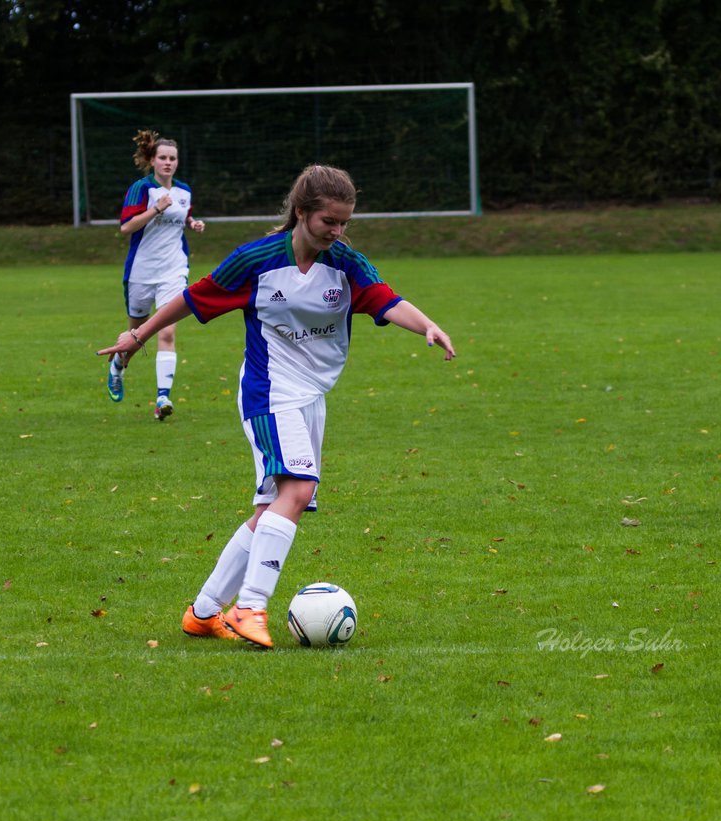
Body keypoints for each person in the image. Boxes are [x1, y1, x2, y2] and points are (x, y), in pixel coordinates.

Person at [98, 164, 456, 647]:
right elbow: (193, 297)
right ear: (302, 213)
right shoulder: (257, 260)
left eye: (345, 222)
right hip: (269, 392)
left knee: (271, 506)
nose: (338, 231)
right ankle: (250, 606)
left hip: (312, 396)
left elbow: (384, 298)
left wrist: (427, 326)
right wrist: (138, 336)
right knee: (300, 488)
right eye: (330, 221)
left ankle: (204, 612)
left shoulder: (346, 264)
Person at [106, 129, 206, 420]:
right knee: (137, 335)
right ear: (152, 160)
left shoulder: (184, 191)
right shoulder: (142, 189)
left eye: (172, 158)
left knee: (168, 329)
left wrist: (193, 224)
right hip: (141, 272)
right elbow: (126, 227)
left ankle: (163, 398)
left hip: (174, 270)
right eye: (162, 157)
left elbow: (183, 217)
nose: (168, 163)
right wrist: (155, 210)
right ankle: (118, 366)